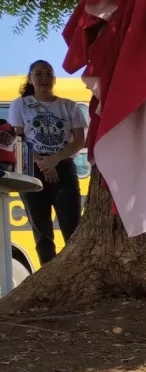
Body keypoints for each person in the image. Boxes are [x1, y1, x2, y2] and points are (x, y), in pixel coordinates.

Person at [8, 60, 86, 265]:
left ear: (54, 78)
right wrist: (42, 163)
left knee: (73, 229)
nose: (44, 78)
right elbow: (17, 139)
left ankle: (75, 275)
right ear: (31, 78)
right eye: (38, 74)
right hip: (32, 168)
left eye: (48, 74)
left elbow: (79, 141)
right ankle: (49, 277)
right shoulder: (20, 104)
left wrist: (54, 160)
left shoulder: (69, 106)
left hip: (64, 168)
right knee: (42, 233)